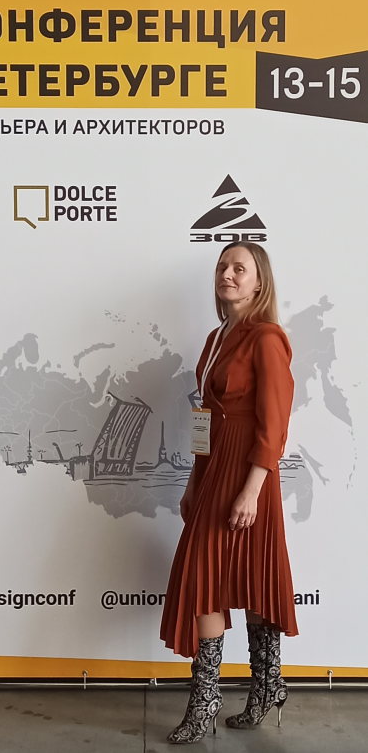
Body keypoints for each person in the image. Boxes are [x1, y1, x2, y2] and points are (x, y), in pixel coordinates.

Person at [160, 242, 298, 744]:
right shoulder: (215, 338)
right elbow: (204, 418)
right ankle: (242, 691)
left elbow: (274, 423)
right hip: (215, 466)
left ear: (259, 282)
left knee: (251, 579)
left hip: (250, 472)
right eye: (223, 266)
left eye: (240, 268)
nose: (228, 274)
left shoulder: (267, 338)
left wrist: (251, 490)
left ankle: (247, 691)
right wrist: (194, 481)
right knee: (209, 578)